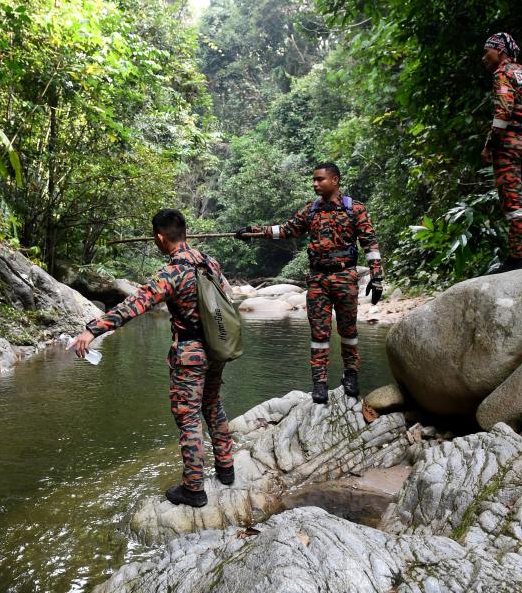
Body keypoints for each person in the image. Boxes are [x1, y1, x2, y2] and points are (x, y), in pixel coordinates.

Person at [68, 209, 234, 508]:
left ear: (160, 238)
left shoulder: (171, 273)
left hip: (190, 356)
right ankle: (226, 468)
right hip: (217, 350)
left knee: (188, 418)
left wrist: (91, 331)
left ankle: (194, 489)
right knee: (212, 405)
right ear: (185, 232)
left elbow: (133, 306)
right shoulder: (210, 263)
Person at [235, 163, 384, 405]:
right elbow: (286, 230)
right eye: (313, 180)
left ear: (335, 180)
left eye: (320, 179)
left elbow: (370, 243)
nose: (315, 184)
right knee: (319, 333)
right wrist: (255, 231)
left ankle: (351, 375)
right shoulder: (311, 211)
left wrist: (377, 276)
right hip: (317, 280)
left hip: (345, 277)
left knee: (348, 331)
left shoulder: (354, 209)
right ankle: (320, 383)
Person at [480, 32, 522, 272]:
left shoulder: (502, 74)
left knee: (512, 201)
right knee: (520, 199)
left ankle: (520, 256)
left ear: (501, 51)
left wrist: (489, 146)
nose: (484, 57)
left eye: (488, 51)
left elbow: (503, 113)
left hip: (507, 144)